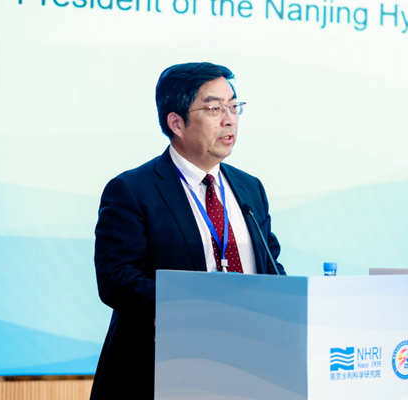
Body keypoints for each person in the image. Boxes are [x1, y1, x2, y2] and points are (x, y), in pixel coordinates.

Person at [90, 62, 285, 400]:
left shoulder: (250, 188)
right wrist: (203, 302)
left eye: (234, 106)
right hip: (162, 371)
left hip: (247, 364)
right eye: (214, 108)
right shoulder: (133, 190)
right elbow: (116, 280)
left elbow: (271, 267)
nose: (229, 119)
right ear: (176, 122)